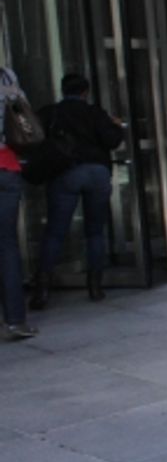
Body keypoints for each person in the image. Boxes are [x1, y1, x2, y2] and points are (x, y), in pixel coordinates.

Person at [27, 73, 125, 308]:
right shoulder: (96, 113)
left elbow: (34, 138)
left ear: (63, 90)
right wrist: (117, 126)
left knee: (55, 232)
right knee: (94, 232)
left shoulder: (51, 113)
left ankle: (42, 290)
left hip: (65, 173)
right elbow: (112, 141)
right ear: (85, 92)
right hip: (97, 173)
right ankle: (95, 286)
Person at [0, 66, 36, 339]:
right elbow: (23, 112)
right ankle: (15, 321)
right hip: (7, 168)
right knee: (7, 247)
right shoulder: (6, 75)